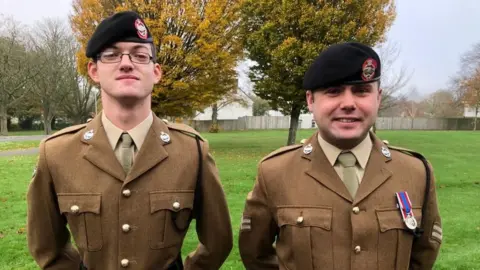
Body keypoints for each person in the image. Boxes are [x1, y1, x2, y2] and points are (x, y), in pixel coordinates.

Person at [26, 11, 232, 270]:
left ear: (156, 72)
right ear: (94, 70)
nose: (126, 63)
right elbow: (47, 247)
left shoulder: (191, 151)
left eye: (139, 55)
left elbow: (218, 242)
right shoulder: (56, 153)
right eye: (112, 55)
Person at [238, 42, 442, 270]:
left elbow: (423, 254)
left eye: (361, 91)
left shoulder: (415, 172)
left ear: (378, 98)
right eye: (333, 91)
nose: (348, 104)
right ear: (310, 100)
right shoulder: (275, 172)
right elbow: (256, 255)